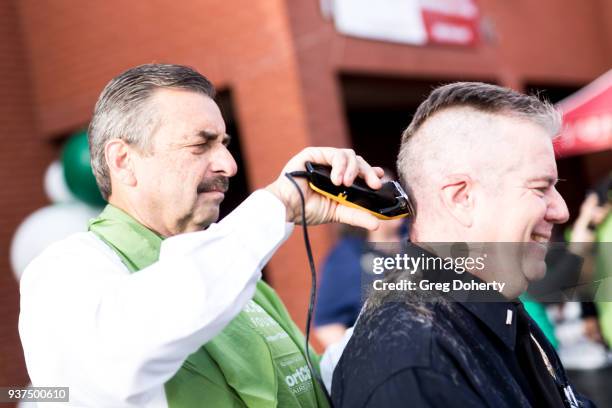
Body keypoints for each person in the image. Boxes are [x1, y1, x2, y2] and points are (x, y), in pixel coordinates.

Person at [18, 64, 386, 407]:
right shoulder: (64, 268)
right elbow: (121, 353)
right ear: (123, 161)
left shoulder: (235, 270)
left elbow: (309, 386)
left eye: (224, 143)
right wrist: (276, 206)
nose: (229, 165)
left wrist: (413, 281)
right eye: (201, 145)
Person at [331, 82, 596, 407]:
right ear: (461, 198)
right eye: (540, 188)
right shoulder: (416, 364)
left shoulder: (489, 304)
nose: (562, 211)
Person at [314, 171, 406, 348]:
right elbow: (327, 324)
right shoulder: (347, 256)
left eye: (397, 191)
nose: (396, 199)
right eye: (385, 195)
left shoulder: (417, 237)